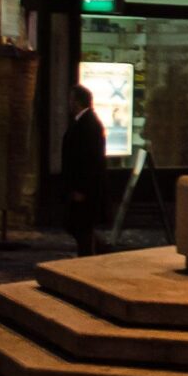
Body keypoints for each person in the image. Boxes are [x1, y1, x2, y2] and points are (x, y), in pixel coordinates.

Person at [60, 83, 108, 256]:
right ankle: (97, 249)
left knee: (81, 226)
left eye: (71, 99)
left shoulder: (88, 125)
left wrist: (81, 188)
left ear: (77, 102)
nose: (69, 103)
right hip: (79, 186)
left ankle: (90, 255)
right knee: (75, 225)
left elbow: (90, 160)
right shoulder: (83, 122)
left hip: (84, 189)